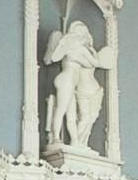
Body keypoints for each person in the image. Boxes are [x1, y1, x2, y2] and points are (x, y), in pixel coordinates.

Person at [43, 20, 111, 149]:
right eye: (81, 32)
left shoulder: (78, 50)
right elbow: (93, 63)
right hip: (66, 80)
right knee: (61, 109)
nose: (83, 35)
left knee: (71, 115)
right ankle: (56, 138)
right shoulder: (78, 49)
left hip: (70, 82)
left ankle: (75, 142)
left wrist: (71, 53)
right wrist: (67, 49)